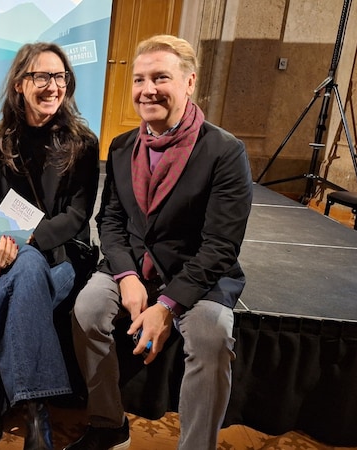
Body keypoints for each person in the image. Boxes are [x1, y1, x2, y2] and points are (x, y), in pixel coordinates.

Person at [66, 34, 253, 450]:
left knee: (212, 337)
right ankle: (108, 423)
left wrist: (167, 306)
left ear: (189, 82)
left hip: (196, 274)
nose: (147, 89)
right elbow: (110, 220)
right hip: (131, 263)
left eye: (161, 78)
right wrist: (127, 276)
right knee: (88, 309)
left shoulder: (225, 151)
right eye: (139, 79)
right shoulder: (121, 147)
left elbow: (221, 246)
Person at [0, 42, 100, 450]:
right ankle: (36, 411)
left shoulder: (84, 142)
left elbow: (77, 217)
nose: (52, 85)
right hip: (7, 253)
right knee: (23, 274)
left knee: (19, 277)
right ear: (19, 84)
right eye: (41, 76)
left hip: (65, 253)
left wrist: (22, 242)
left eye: (60, 77)